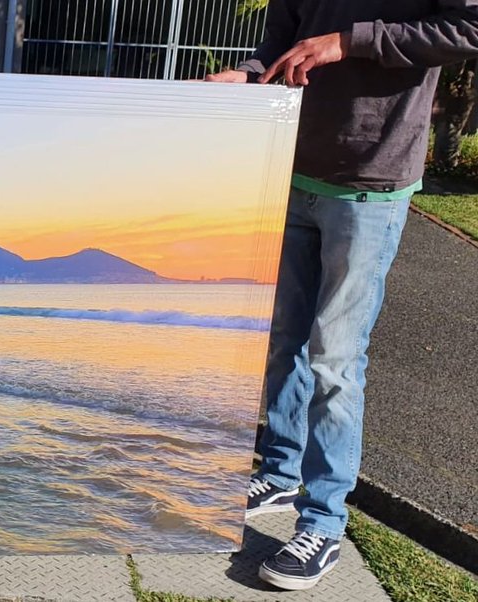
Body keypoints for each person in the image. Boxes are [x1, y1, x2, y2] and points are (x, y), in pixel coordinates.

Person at [203, 0, 478, 592]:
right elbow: (280, 41)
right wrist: (249, 76)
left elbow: (469, 28)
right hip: (289, 167)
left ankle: (323, 521)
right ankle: (279, 471)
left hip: (370, 184)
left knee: (335, 361)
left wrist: (349, 42)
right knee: (283, 342)